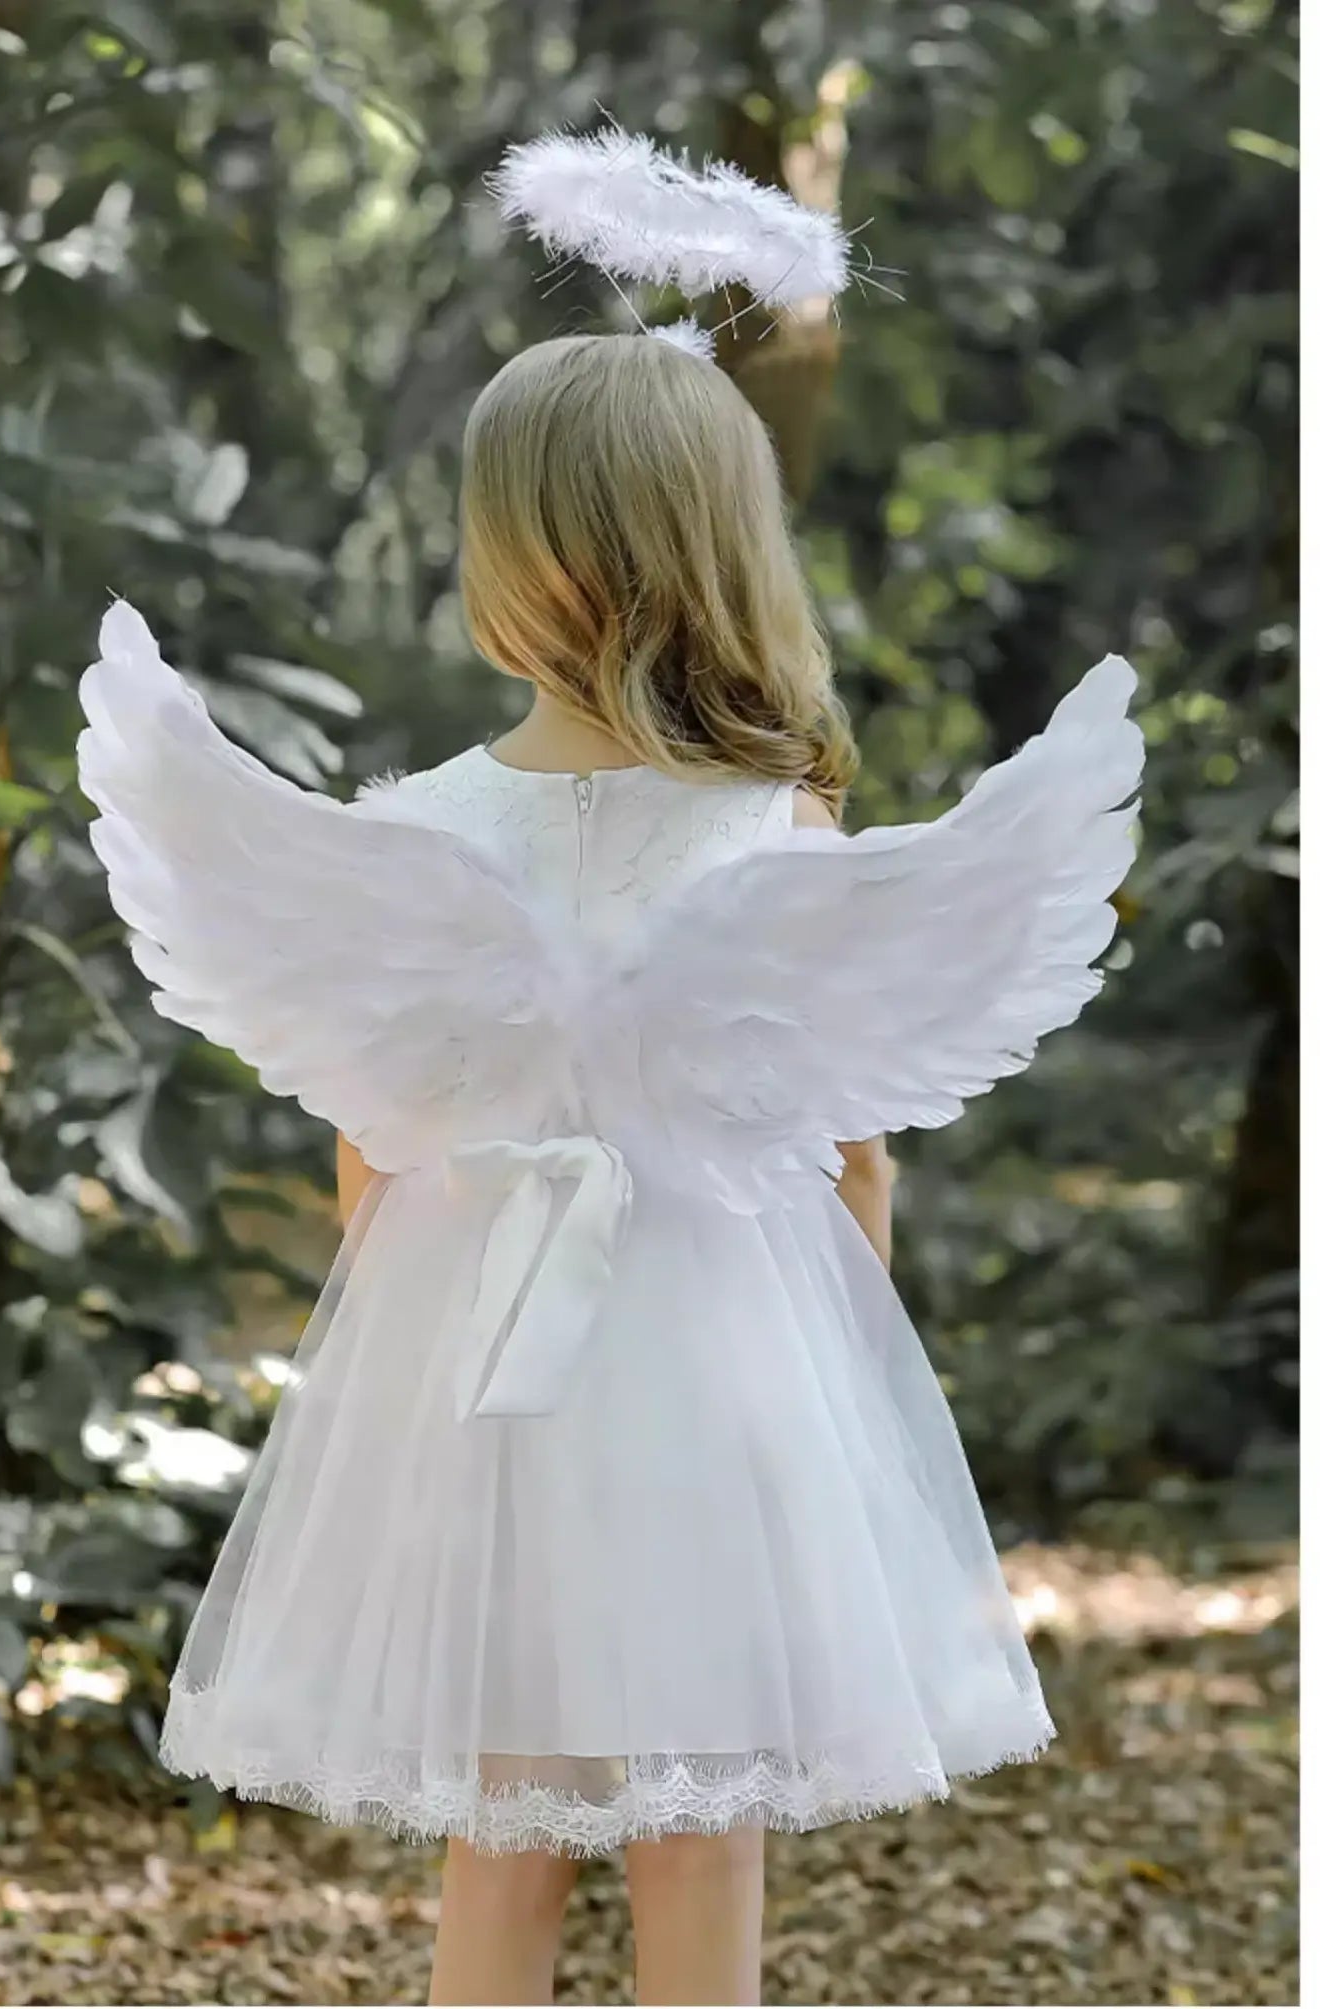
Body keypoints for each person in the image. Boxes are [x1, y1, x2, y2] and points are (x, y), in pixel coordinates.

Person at [77, 332, 1141, 2007]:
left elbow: (373, 1168)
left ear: (504, 551)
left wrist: (404, 1384)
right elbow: (851, 1164)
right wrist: (836, 1387)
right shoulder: (777, 835)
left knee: (498, 1839)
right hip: (723, 1385)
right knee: (704, 1846)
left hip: (484, 1391)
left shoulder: (407, 835)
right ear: (723, 541)